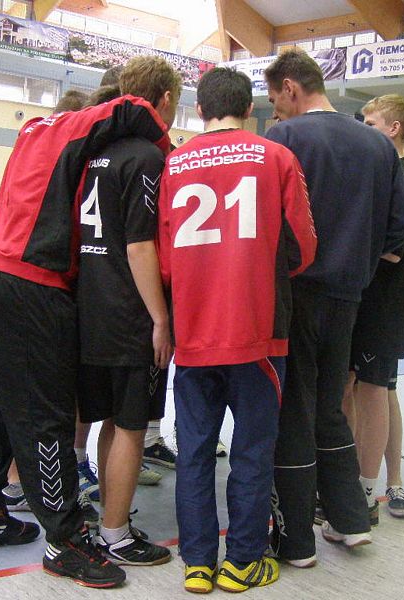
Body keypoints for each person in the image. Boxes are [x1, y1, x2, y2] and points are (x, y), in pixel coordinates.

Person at [0, 75, 171, 589]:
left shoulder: (32, 130)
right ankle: (65, 541)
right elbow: (132, 107)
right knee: (46, 417)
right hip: (35, 283)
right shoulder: (77, 125)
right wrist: (166, 148)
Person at [158, 67, 317, 593]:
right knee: (251, 451)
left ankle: (198, 564)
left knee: (195, 452)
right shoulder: (276, 156)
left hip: (193, 332)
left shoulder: (175, 163)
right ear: (250, 109)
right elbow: (303, 246)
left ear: (199, 109)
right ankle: (243, 562)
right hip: (258, 332)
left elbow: (164, 260)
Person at [263, 49, 404, 562]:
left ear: (290, 88)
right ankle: (350, 519)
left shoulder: (285, 138)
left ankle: (295, 540)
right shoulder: (378, 146)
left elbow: (267, 217)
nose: (276, 112)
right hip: (349, 296)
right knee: (330, 406)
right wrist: (361, 256)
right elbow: (401, 226)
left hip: (297, 293)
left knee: (293, 408)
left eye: (276, 101)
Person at [74, 55, 182, 567]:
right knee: (131, 426)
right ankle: (115, 535)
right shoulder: (146, 157)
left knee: (109, 422)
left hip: (91, 306)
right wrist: (161, 318)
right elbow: (140, 246)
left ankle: (107, 521)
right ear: (165, 100)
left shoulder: (95, 151)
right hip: (129, 312)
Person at [0, 87, 100, 526]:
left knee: (33, 397)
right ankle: (28, 487)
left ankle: (22, 484)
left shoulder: (31, 147)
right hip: (39, 288)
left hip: (15, 281)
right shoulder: (58, 160)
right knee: (45, 402)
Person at [349, 94, 404, 523]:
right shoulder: (387, 172)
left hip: (384, 307)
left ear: (394, 129)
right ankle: (378, 480)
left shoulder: (401, 177)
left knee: (375, 389)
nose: (364, 131)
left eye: (371, 124)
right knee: (377, 389)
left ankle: (370, 487)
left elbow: (393, 249)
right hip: (378, 305)